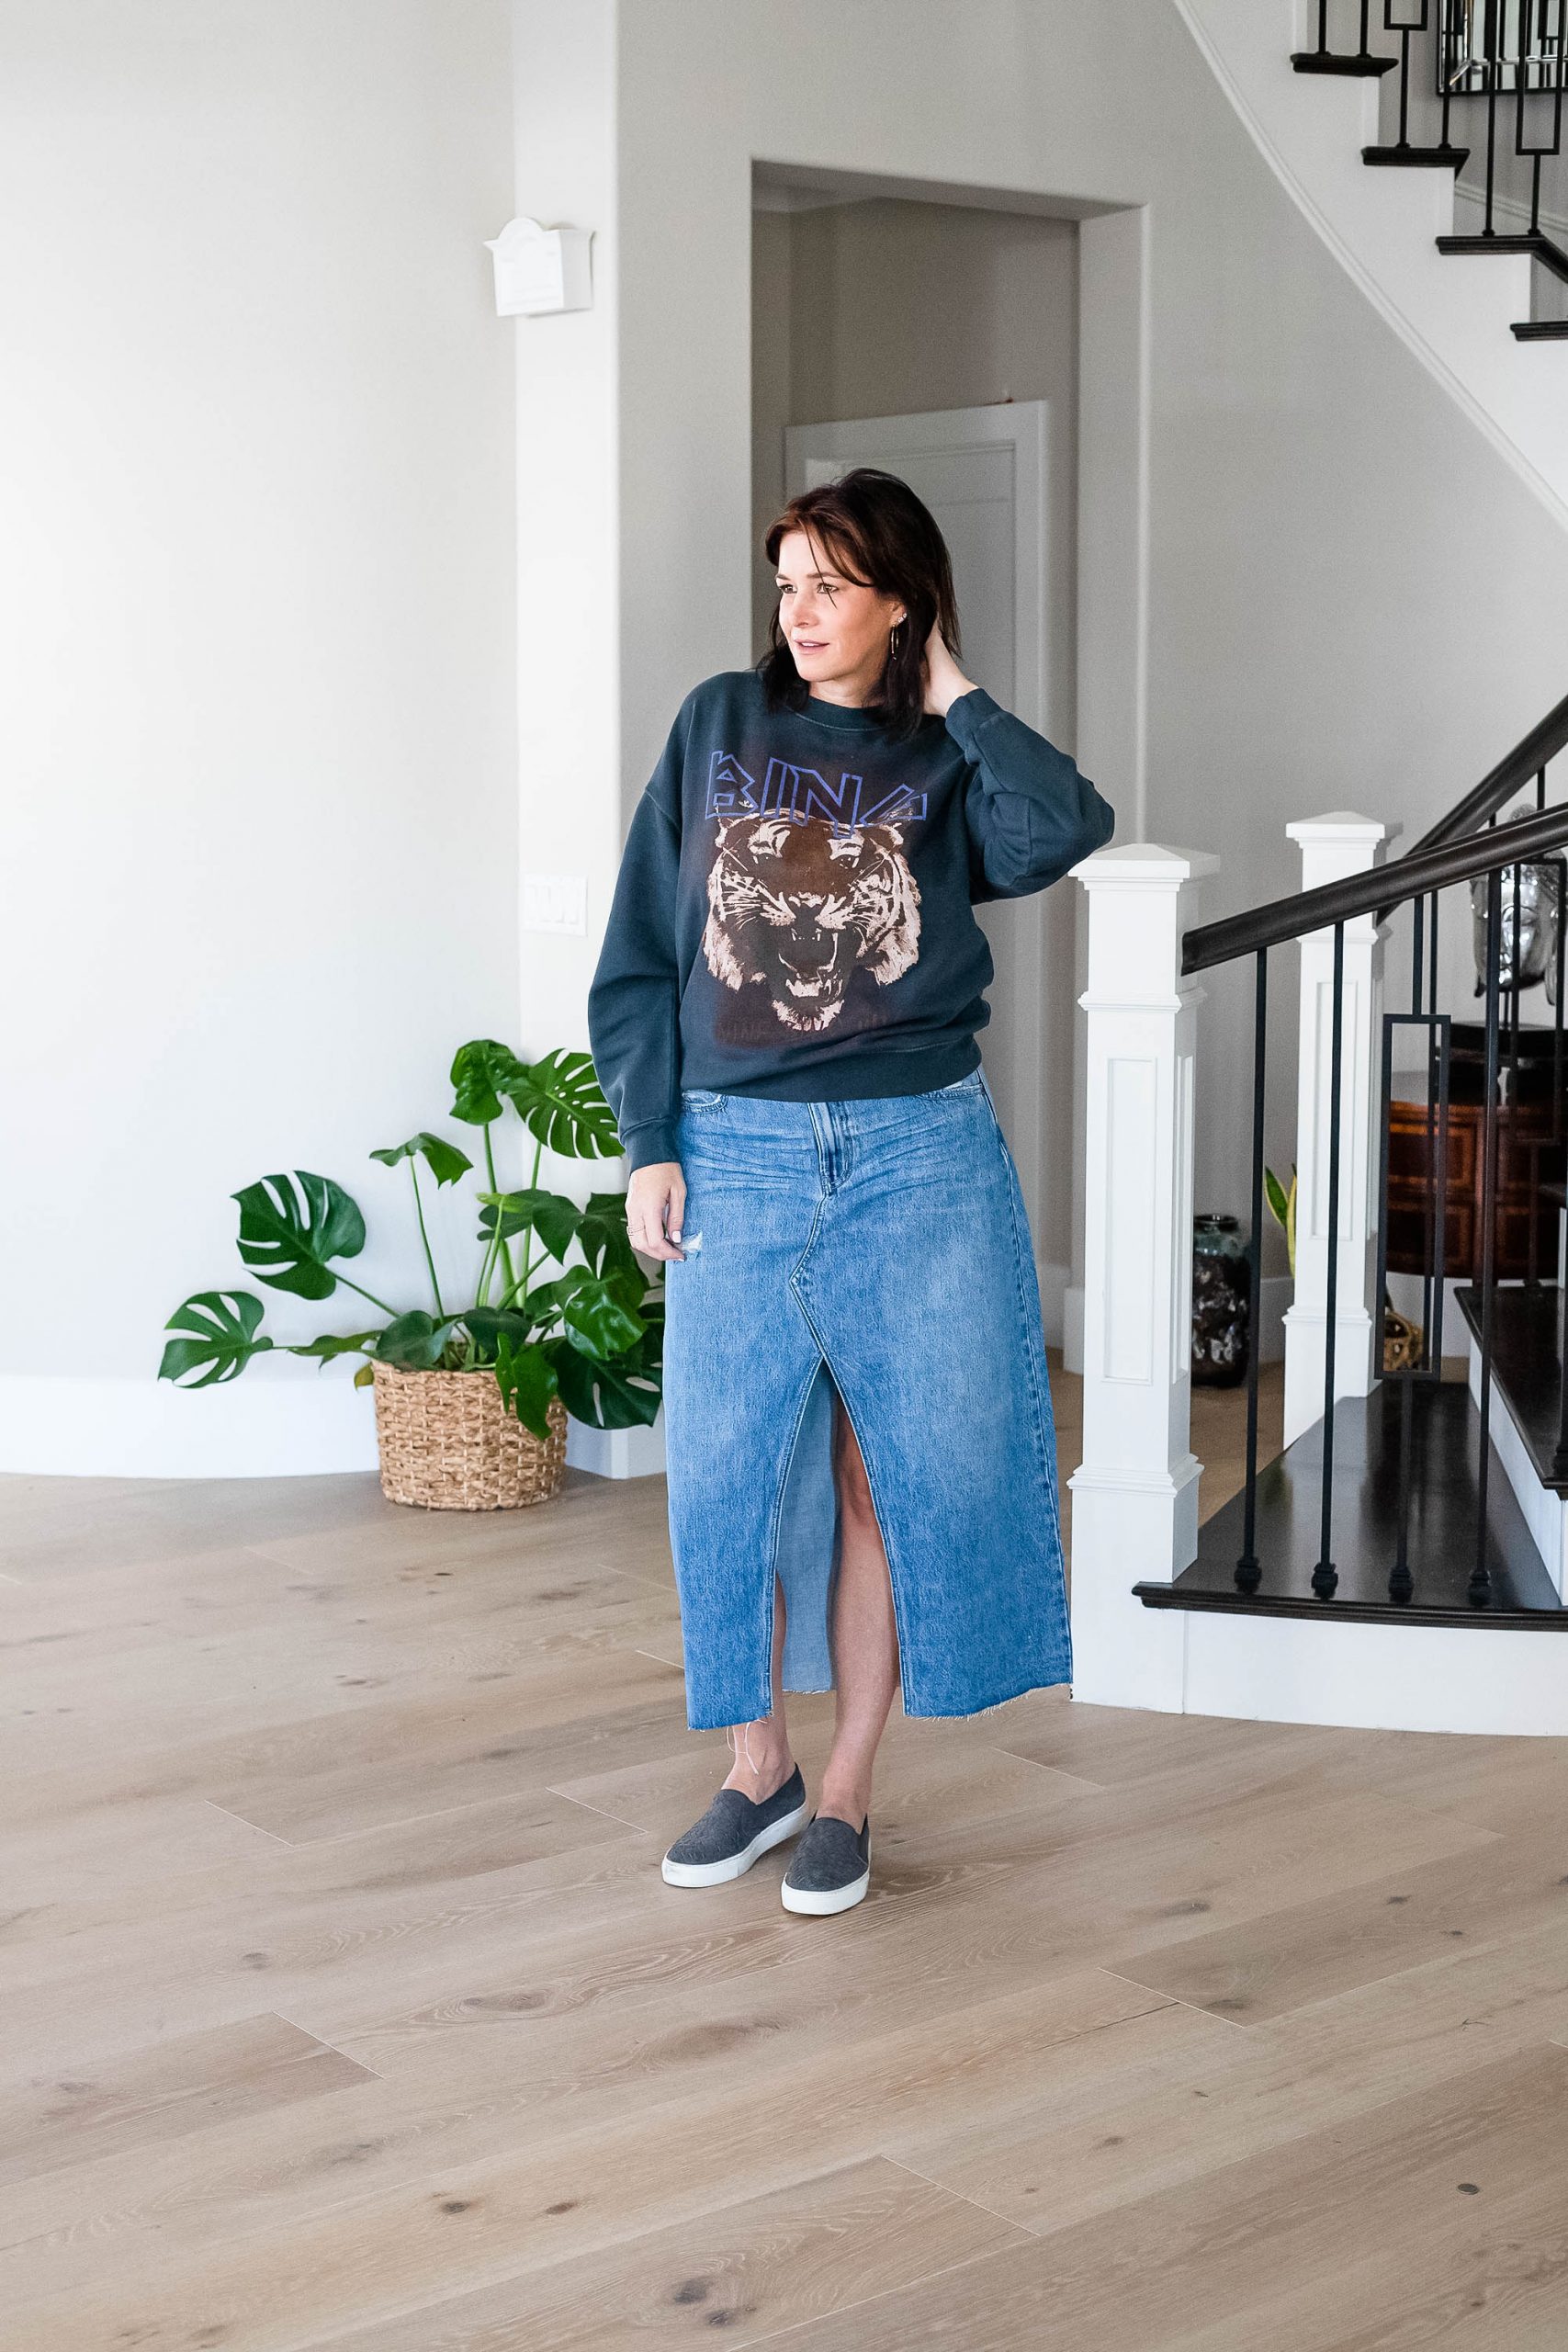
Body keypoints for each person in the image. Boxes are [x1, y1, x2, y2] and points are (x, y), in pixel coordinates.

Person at [586, 467, 1114, 1917]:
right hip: (736, 1150)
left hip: (916, 1150)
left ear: (902, 603)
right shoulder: (718, 724)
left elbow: (1067, 826)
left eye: (831, 584)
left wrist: (961, 699)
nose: (800, 611)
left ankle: (848, 1792)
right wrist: (650, 1138)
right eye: (785, 584)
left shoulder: (950, 761)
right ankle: (755, 1767)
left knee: (895, 1478)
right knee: (728, 1480)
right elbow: (641, 946)